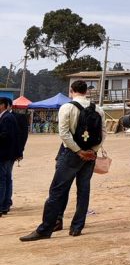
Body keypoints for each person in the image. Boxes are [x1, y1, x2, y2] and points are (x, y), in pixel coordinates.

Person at [20, 81, 105, 240]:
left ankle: (46, 228)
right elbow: (103, 134)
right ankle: (76, 227)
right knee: (83, 190)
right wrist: (91, 152)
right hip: (90, 156)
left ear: (71, 91)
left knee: (57, 191)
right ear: (86, 91)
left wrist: (79, 151)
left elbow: (64, 134)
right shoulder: (98, 109)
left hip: (71, 154)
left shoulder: (67, 107)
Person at [0, 97, 28, 215]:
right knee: (6, 178)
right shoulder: (8, 117)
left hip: (4, 153)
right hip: (9, 153)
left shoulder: (7, 118)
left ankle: (2, 204)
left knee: (3, 179)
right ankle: (5, 204)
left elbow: (6, 136)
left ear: (4, 105)